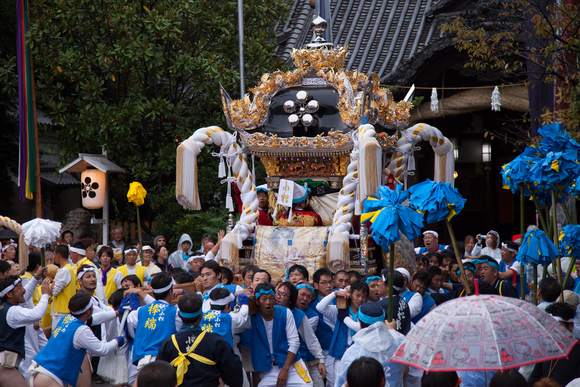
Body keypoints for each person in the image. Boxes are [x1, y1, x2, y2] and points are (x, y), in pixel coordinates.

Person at [28, 292, 122, 387]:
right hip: (51, 379)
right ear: (88, 311)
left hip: (38, 373)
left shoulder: (66, 318)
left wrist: (117, 313)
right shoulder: (82, 330)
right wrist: (117, 340)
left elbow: (93, 319)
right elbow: (102, 349)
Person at [156, 292, 243, 387]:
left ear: (179, 315)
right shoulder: (215, 341)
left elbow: (158, 377)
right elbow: (234, 376)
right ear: (201, 315)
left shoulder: (168, 344)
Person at [240, 282, 312, 387]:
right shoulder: (252, 317)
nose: (268, 302)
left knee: (307, 385)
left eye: (271, 298)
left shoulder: (285, 312)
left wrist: (285, 370)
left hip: (292, 365)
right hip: (269, 368)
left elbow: (294, 343)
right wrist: (244, 304)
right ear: (257, 301)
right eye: (264, 299)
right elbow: (235, 324)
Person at [335, 304, 405, 387]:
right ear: (383, 322)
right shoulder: (399, 345)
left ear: (360, 324)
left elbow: (340, 382)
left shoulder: (352, 353)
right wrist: (392, 331)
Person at [0, 272, 50, 387]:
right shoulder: (13, 311)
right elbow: (37, 314)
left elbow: (25, 296)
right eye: (20, 288)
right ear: (9, 294)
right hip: (5, 365)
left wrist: (35, 278)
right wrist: (45, 294)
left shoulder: (4, 308)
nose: (23, 290)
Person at [127, 273, 182, 374]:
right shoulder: (176, 313)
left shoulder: (139, 311)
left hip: (143, 363)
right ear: (170, 291)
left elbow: (131, 319)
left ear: (152, 291)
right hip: (165, 363)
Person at [275, 282, 326, 387]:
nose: (278, 297)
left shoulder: (299, 315)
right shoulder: (267, 312)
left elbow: (311, 340)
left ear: (290, 300)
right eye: (277, 293)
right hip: (274, 362)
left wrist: (321, 360)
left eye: (284, 295)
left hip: (297, 360)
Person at [316, 280, 368, 379]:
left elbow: (360, 328)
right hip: (341, 355)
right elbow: (320, 307)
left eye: (364, 297)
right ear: (350, 294)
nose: (360, 299)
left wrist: (345, 318)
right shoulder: (339, 310)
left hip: (360, 357)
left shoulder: (367, 314)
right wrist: (335, 294)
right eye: (357, 295)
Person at [529, 303, 580, 386]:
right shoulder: (545, 347)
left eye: (557, 326)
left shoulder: (578, 350)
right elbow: (535, 377)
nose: (552, 330)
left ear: (570, 325)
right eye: (548, 325)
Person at [310, 268, 335, 387]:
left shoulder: (340, 299)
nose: (328, 285)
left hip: (338, 347)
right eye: (324, 283)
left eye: (330, 282)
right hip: (322, 349)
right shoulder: (310, 304)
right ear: (316, 285)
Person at [50, 245, 78, 330]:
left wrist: (51, 286)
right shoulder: (70, 269)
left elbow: (54, 291)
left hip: (61, 311)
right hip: (65, 310)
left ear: (58, 255)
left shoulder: (64, 271)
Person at [376, 269, 411, 335]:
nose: (377, 284)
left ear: (388, 287)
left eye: (380, 281)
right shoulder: (404, 302)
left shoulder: (381, 306)